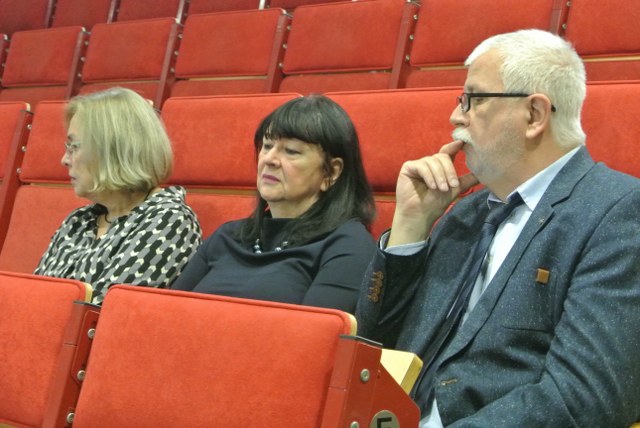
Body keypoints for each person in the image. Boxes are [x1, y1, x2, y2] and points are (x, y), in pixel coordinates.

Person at [356, 29, 640, 427]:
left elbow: (585, 398)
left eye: (473, 99)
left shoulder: (617, 212)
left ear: (534, 115)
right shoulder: (465, 214)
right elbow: (372, 349)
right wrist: (410, 227)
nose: (456, 117)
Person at [171, 95, 376, 313]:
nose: (269, 159)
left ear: (331, 172)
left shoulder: (348, 245)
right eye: (267, 145)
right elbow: (167, 312)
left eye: (291, 151)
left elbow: (313, 332)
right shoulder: (228, 236)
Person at [35, 87, 202, 304]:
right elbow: (34, 298)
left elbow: (99, 313)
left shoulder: (169, 220)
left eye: (74, 146)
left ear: (111, 150)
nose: (64, 160)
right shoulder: (78, 221)